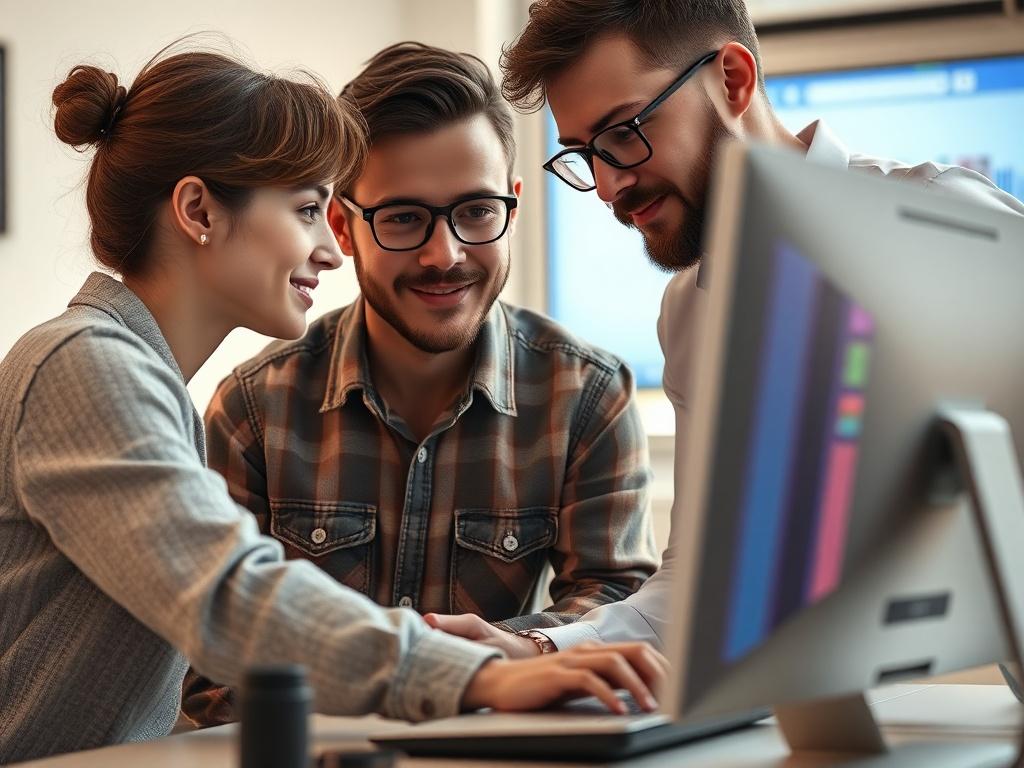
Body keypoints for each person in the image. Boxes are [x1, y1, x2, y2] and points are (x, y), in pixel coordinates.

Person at [0, 43, 665, 764]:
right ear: (197, 210)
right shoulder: (85, 365)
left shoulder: (131, 375)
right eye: (309, 209)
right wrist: (475, 672)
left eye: (474, 210)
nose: (329, 248)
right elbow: (224, 595)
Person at [427, 0, 1024, 658]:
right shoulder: (689, 312)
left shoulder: (946, 226)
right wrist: (537, 649)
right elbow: (695, 590)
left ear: (734, 80)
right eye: (584, 155)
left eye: (624, 132)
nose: (606, 186)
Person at [181, 40, 658, 727]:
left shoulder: (586, 396)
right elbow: (212, 677)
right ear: (343, 225)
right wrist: (433, 679)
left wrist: (514, 652)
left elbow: (617, 613)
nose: (446, 254)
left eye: (476, 211)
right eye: (404, 217)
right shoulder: (253, 410)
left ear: (513, 210)